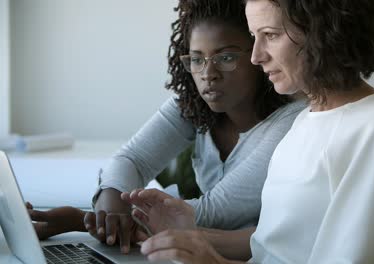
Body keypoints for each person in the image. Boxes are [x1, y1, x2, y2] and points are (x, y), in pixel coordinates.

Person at [123, 0, 374, 263]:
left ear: (321, 32)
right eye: (253, 36)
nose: (256, 56)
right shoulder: (305, 122)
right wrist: (188, 232)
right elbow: (273, 248)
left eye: (270, 35)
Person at [27, 0, 305, 254]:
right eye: (196, 59)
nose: (208, 74)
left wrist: (82, 219)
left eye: (226, 58)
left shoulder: (293, 121)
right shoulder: (193, 105)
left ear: (258, 55)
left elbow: (215, 212)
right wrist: (109, 209)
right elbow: (131, 160)